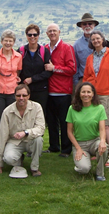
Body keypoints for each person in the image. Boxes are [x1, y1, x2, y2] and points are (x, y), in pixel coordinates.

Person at [83, 30, 109, 168]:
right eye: (93, 40)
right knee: (94, 124)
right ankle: (98, 151)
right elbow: (86, 77)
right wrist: (84, 93)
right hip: (92, 95)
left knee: (106, 125)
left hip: (105, 94)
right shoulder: (90, 58)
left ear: (103, 40)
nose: (96, 41)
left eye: (98, 38)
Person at [0, 84, 45, 177]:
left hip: (31, 140)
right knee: (8, 159)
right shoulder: (7, 111)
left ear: (29, 96)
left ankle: (34, 168)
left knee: (39, 140)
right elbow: (2, 136)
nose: (21, 98)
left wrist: (25, 132)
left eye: (24, 95)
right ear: (15, 96)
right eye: (18, 95)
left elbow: (41, 128)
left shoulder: (37, 107)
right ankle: (18, 161)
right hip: (14, 142)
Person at [44, 23, 77, 157]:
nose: (52, 33)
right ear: (47, 34)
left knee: (64, 122)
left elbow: (72, 69)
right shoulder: (45, 48)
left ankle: (66, 149)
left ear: (59, 32)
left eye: (54, 31)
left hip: (63, 91)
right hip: (48, 91)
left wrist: (55, 68)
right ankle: (53, 146)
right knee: (51, 121)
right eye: (49, 31)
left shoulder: (67, 48)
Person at [66, 82, 108, 181]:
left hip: (94, 141)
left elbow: (102, 129)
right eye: (83, 92)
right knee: (84, 169)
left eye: (88, 92)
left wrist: (102, 141)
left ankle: (100, 173)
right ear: (79, 94)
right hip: (80, 144)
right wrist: (78, 148)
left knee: (104, 146)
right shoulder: (72, 109)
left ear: (93, 94)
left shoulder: (99, 108)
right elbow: (69, 132)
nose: (86, 95)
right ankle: (81, 165)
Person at [0, 29, 22, 147]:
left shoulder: (18, 56)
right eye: (6, 40)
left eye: (10, 41)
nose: (8, 43)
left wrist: (17, 79)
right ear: (1, 41)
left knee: (12, 121)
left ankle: (12, 148)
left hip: (12, 91)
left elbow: (18, 72)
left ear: (13, 42)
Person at [73, 13, 109, 89]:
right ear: (81, 27)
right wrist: (77, 83)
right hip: (84, 79)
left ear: (94, 25)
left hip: (103, 80)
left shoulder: (105, 43)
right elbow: (75, 65)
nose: (87, 26)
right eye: (84, 24)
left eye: (90, 23)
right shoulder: (77, 45)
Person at [18, 24, 52, 118]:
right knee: (24, 115)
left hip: (41, 90)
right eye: (30, 35)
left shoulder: (44, 51)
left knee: (38, 116)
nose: (32, 37)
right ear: (26, 36)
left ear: (38, 36)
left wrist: (32, 79)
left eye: (35, 34)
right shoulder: (21, 51)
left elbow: (48, 72)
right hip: (25, 90)